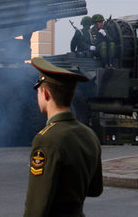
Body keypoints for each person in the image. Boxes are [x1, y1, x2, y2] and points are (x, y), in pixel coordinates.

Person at [24, 57, 103, 217]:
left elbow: (37, 203)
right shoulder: (89, 134)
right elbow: (95, 189)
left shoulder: (46, 139)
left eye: (38, 91)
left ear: (45, 93)